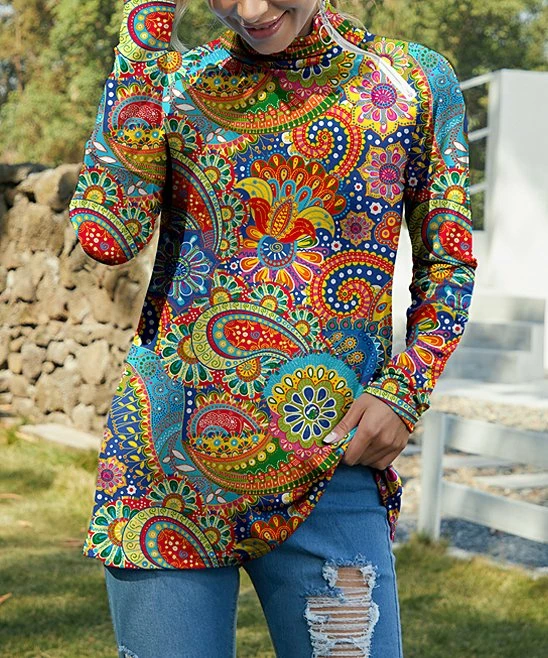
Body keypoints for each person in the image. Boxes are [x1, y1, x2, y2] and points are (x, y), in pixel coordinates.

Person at [67, 0, 478, 656]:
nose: (252, 9)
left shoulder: (413, 82)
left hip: (333, 465)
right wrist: (144, 25)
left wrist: (405, 391)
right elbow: (105, 234)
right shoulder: (175, 84)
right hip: (163, 480)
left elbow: (448, 262)